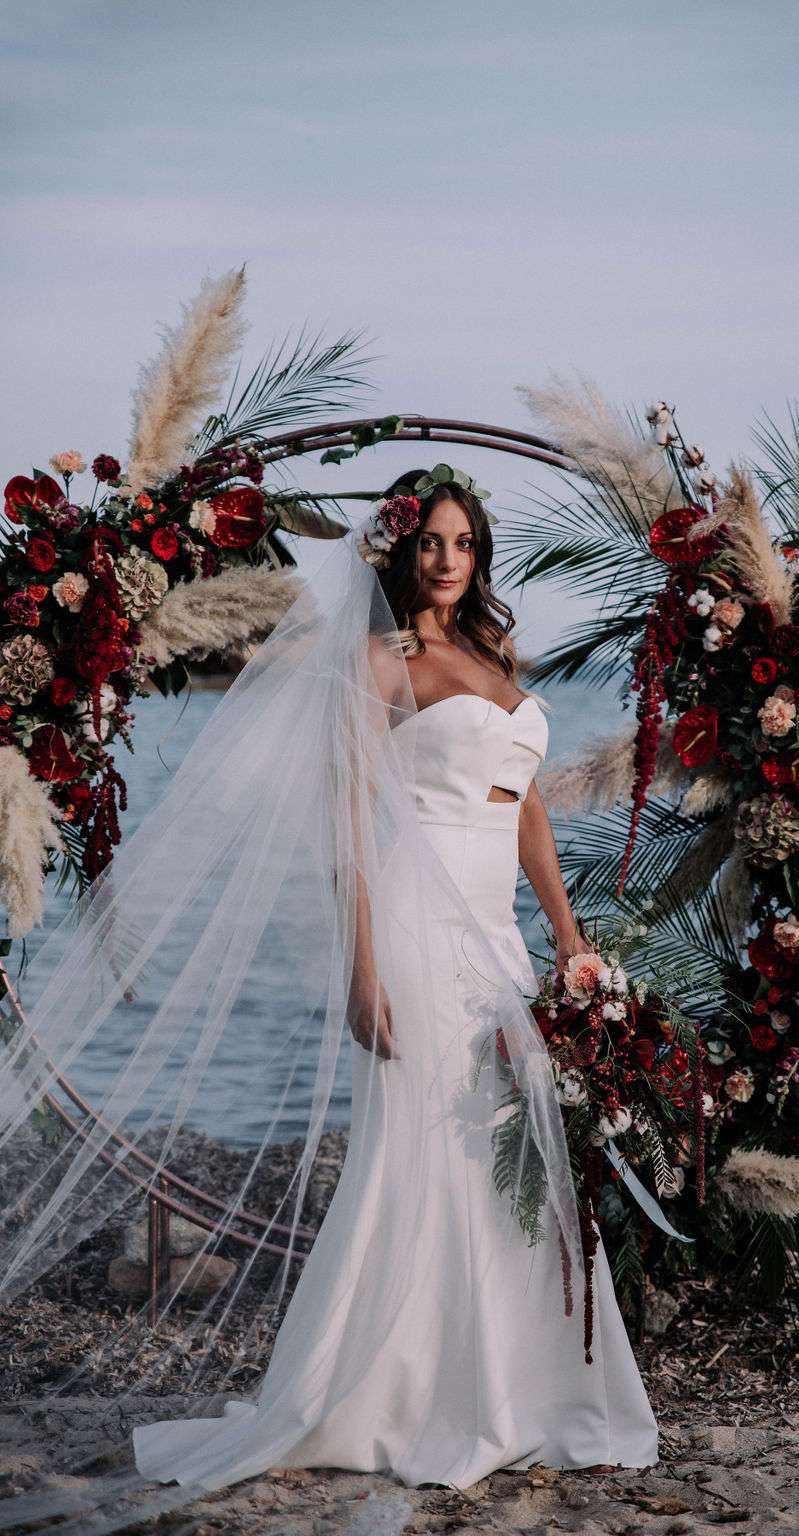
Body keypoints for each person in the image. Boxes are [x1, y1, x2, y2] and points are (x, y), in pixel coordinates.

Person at [0, 465, 658, 1527]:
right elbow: (350, 819)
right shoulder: (378, 662)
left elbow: (525, 806)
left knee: (508, 1145)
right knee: (423, 1147)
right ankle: (400, 1389)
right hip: (412, 922)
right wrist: (362, 967)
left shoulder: (495, 656)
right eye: (431, 541)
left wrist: (569, 933)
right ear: (400, 551)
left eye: (464, 543)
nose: (448, 560)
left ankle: (518, 1383)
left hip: (495, 934)